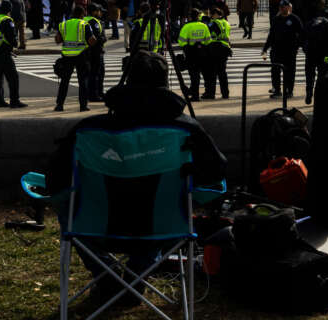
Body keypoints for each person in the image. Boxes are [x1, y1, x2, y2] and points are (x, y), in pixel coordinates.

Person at [43, 51, 227, 303]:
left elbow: (55, 179)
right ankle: (133, 279)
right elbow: (215, 174)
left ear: (127, 80)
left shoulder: (88, 130)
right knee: (167, 208)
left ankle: (108, 278)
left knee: (69, 207)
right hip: (163, 226)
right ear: (165, 81)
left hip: (96, 226)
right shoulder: (186, 130)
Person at [56, 5, 97, 112]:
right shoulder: (84, 24)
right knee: (82, 81)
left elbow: (58, 39)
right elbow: (92, 40)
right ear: (82, 14)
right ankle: (83, 106)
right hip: (81, 55)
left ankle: (59, 105)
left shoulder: (64, 24)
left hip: (66, 56)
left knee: (64, 81)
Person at [261, 0, 305, 99]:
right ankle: (277, 90)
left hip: (290, 51)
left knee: (289, 72)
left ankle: (289, 91)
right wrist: (265, 48)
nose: (281, 8)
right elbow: (271, 35)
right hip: (276, 50)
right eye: (280, 7)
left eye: (283, 6)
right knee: (275, 71)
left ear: (289, 7)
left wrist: (297, 46)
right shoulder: (276, 19)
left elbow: (302, 34)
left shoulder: (294, 19)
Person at [0, 0, 25, 109]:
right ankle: (14, 101)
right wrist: (15, 44)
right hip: (4, 53)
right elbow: (11, 38)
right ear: (9, 10)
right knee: (13, 78)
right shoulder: (7, 20)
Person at [302, 6, 328, 105]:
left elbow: (302, 38)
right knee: (322, 75)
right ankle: (319, 94)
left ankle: (309, 92)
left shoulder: (310, 23)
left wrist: (306, 50)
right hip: (325, 54)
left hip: (310, 53)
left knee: (309, 75)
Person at [177, 9, 213, 101]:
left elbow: (181, 42)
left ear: (190, 17)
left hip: (191, 54)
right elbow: (208, 40)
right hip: (203, 54)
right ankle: (209, 93)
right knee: (206, 75)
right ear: (198, 16)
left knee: (194, 76)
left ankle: (195, 96)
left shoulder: (186, 27)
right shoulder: (204, 26)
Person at [205, 5, 232, 99]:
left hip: (216, 48)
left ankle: (211, 94)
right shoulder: (226, 22)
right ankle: (225, 94)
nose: (210, 17)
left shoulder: (214, 23)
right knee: (222, 73)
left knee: (212, 72)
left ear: (215, 14)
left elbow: (207, 31)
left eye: (211, 15)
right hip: (225, 48)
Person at [86, 3, 107, 102]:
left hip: (87, 51)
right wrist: (104, 38)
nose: (101, 13)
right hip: (96, 51)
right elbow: (98, 38)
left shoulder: (84, 20)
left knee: (91, 74)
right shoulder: (94, 22)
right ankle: (95, 94)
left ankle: (96, 93)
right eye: (99, 11)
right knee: (97, 73)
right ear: (94, 11)